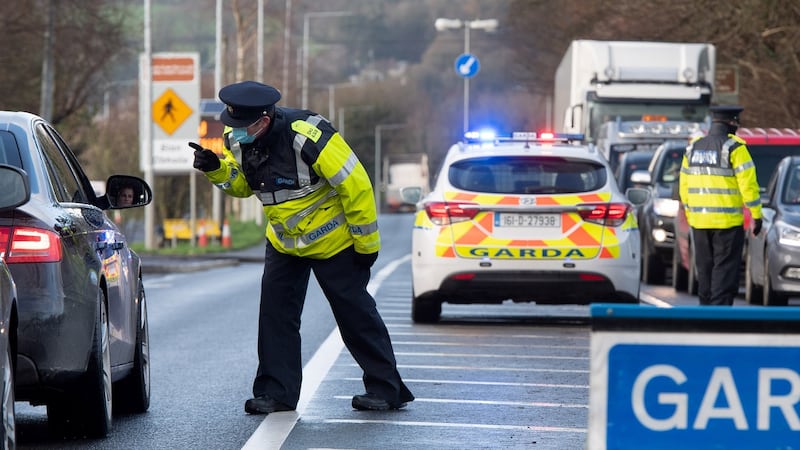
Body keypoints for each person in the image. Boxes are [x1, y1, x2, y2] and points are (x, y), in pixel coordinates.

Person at [187, 80, 414, 414]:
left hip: (334, 242)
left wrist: (366, 246)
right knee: (275, 318)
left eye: (241, 126)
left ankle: (386, 389)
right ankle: (277, 393)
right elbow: (242, 186)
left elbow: (357, 185)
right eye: (231, 125)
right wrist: (216, 169)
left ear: (263, 120)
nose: (233, 133)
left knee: (356, 316)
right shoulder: (237, 138)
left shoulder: (308, 135)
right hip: (284, 243)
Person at [678, 105, 762, 306]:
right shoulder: (735, 148)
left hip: (699, 222)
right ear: (732, 122)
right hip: (727, 224)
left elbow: (684, 186)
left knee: (705, 272)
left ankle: (705, 316)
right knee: (723, 274)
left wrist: (690, 214)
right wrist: (756, 216)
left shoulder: (692, 148)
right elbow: (748, 186)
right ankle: (720, 319)